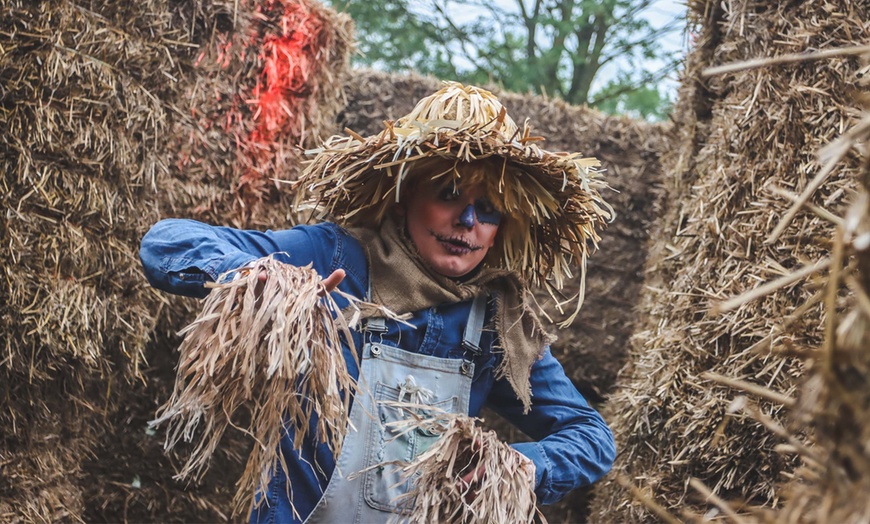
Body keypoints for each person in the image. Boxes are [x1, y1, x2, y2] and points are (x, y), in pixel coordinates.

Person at [140, 82, 616, 523]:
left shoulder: (496, 323)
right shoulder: (333, 257)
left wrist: (524, 465)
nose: (468, 219)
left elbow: (592, 438)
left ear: (502, 228)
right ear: (404, 195)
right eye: (449, 193)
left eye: (488, 209)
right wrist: (257, 281)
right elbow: (167, 243)